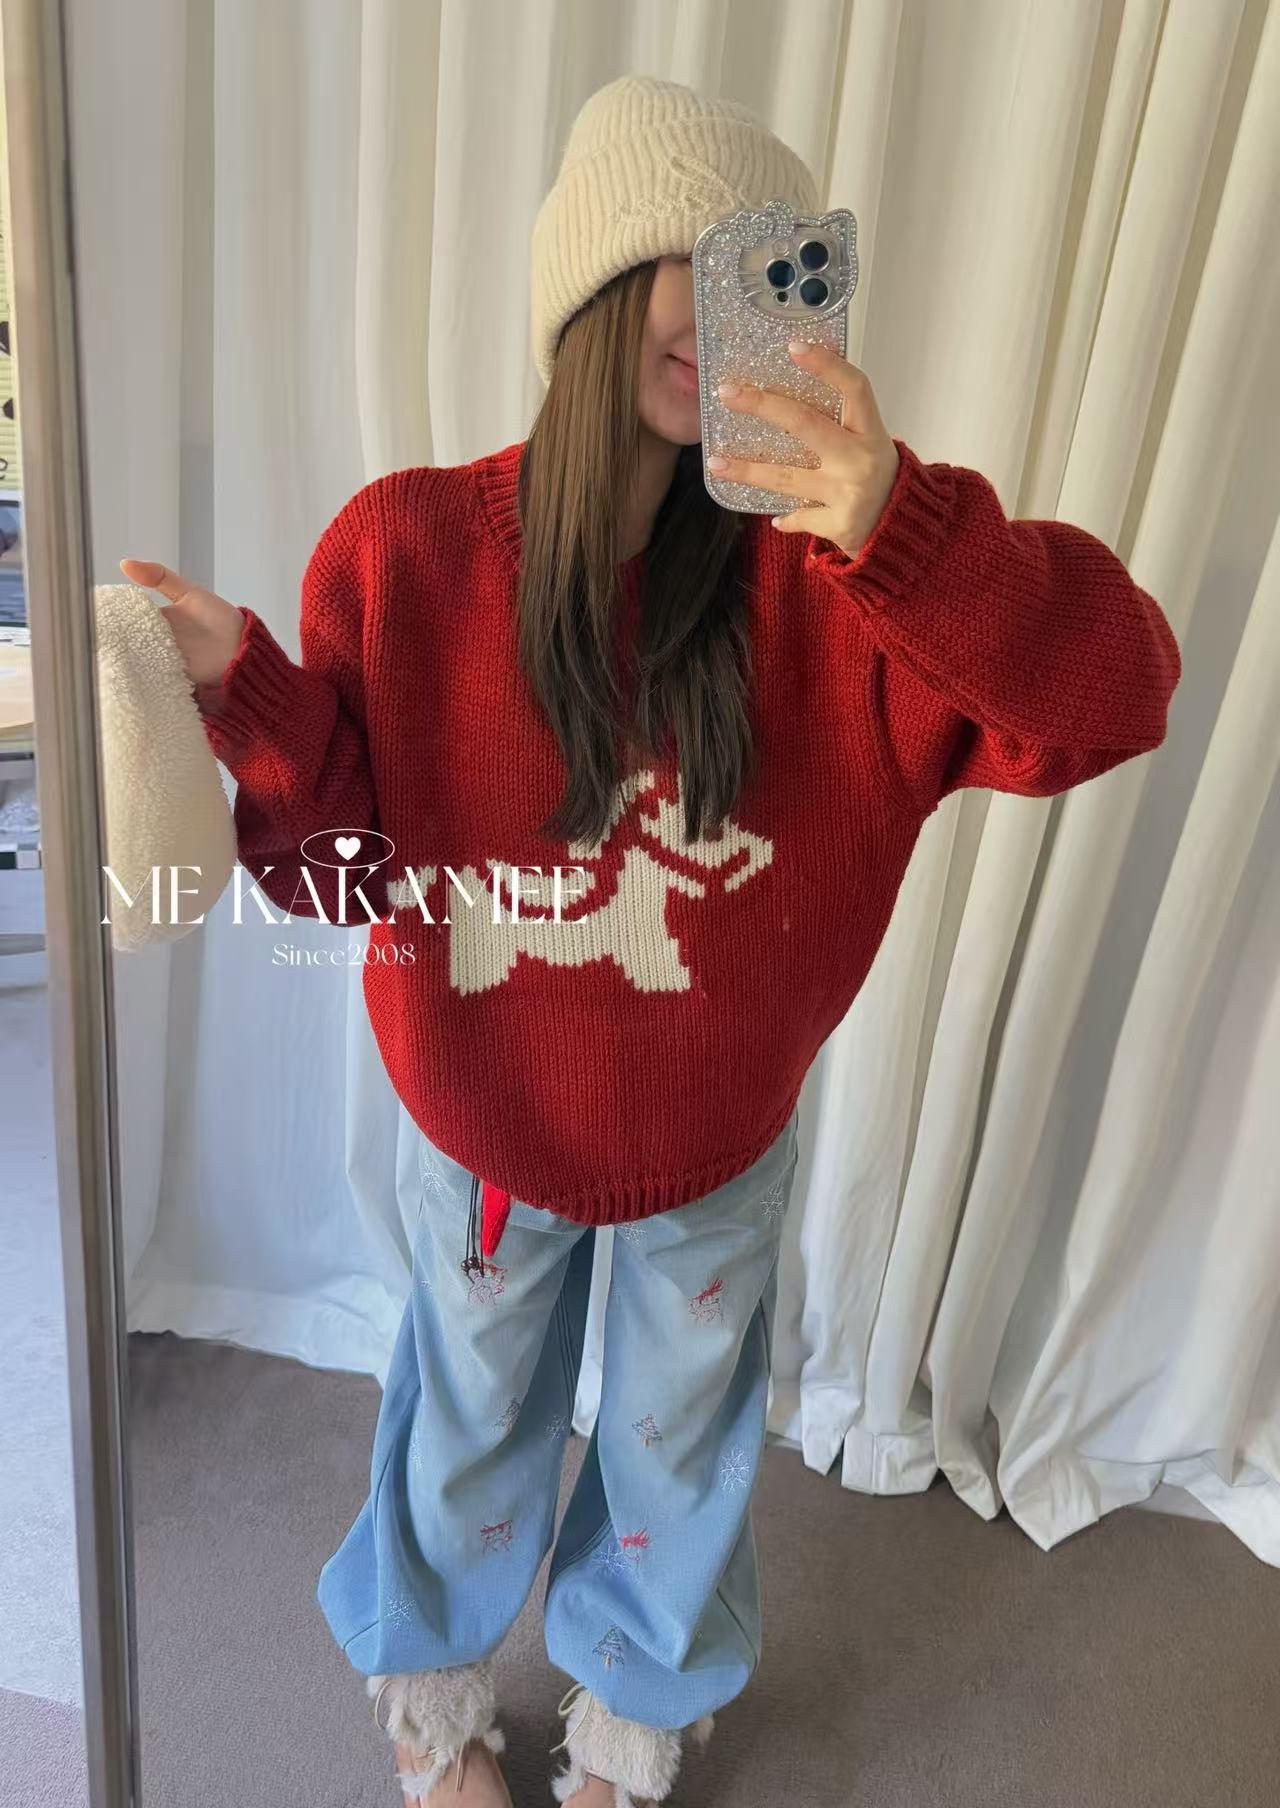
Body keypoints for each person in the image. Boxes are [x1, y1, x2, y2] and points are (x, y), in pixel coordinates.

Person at [119, 72, 1182, 1808]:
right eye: (694, 255)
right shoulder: (408, 552)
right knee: (466, 1433)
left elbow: (1117, 693)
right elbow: (335, 880)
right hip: (485, 1132)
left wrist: (900, 529)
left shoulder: (841, 581)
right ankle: (434, 1712)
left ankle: (629, 1717)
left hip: (715, 1142)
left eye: (776, 264)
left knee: (677, 1456)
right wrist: (251, 694)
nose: (731, 300)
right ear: (596, 286)